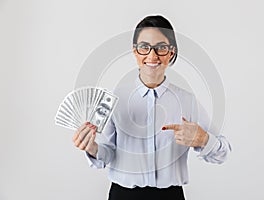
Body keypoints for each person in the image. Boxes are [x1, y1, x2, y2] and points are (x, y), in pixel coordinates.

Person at [72, 15, 231, 200]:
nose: (152, 55)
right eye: (144, 47)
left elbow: (223, 153)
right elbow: (106, 154)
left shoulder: (188, 102)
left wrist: (203, 139)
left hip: (170, 196)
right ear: (135, 51)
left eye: (161, 48)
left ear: (171, 52)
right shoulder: (113, 100)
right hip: (123, 196)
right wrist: (92, 147)